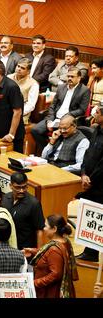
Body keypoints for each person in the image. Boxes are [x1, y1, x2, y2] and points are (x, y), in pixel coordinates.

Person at [31, 67, 90, 152]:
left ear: (79, 78)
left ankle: (55, 152)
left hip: (69, 120)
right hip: (55, 118)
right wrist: (49, 121)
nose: (69, 78)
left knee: (61, 133)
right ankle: (47, 150)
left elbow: (82, 110)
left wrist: (67, 116)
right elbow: (52, 106)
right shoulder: (61, 87)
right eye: (68, 76)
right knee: (35, 130)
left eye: (72, 77)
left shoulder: (84, 90)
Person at [23, 214, 78, 298]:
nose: (43, 228)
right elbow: (48, 255)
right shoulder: (65, 241)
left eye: (45, 226)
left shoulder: (54, 249)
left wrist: (35, 282)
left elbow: (55, 274)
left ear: (54, 229)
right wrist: (33, 251)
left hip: (50, 292)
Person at [75, 103, 103, 262]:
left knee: (96, 218)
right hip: (89, 180)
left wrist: (91, 178)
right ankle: (89, 252)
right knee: (88, 216)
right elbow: (88, 154)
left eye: (98, 112)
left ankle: (92, 252)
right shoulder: (95, 130)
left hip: (100, 185)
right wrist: (84, 173)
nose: (94, 113)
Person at [1, 172, 44, 250]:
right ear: (10, 186)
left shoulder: (34, 204)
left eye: (24, 187)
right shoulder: (5, 199)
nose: (21, 190)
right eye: (18, 187)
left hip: (25, 249)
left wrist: (39, 253)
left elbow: (39, 229)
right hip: (7, 246)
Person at [7, 58, 39, 124]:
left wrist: (16, 112)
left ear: (28, 71)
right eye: (18, 66)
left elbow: (31, 105)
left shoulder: (33, 84)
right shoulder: (8, 78)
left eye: (23, 68)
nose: (19, 69)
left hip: (21, 114)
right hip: (4, 110)